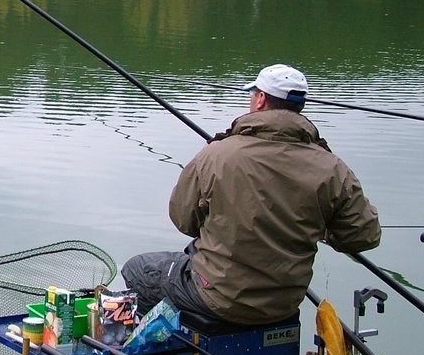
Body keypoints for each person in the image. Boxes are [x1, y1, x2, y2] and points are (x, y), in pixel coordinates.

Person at [122, 63, 381, 326]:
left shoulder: (218, 154)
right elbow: (364, 236)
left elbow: (183, 220)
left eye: (253, 93)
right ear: (299, 107)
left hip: (220, 298)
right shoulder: (332, 166)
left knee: (138, 269)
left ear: (260, 99)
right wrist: (321, 225)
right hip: (285, 303)